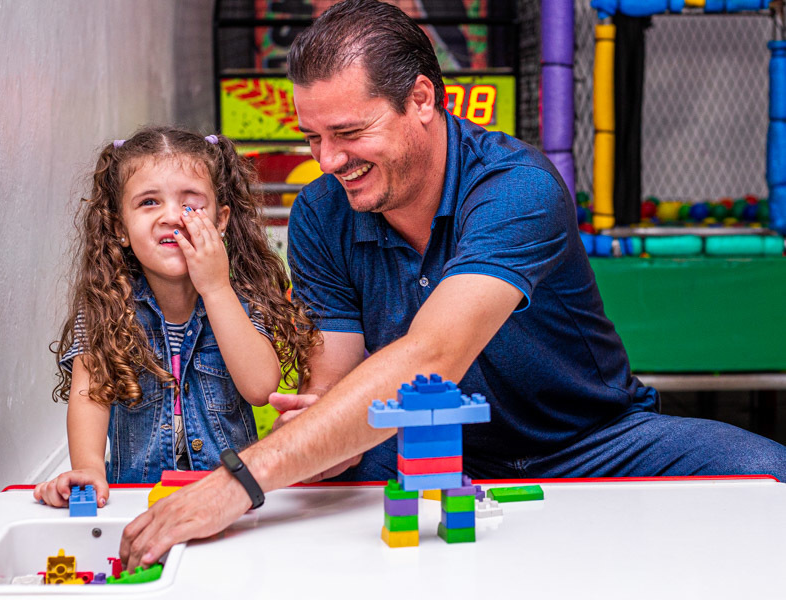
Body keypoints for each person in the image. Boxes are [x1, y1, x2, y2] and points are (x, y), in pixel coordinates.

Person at [118, 0, 786, 569]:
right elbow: (335, 377)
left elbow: (433, 354)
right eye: (312, 137)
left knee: (766, 472)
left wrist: (241, 477)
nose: (328, 160)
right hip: (413, 452)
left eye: (348, 133)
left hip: (587, 442)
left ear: (421, 100)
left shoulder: (517, 187)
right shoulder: (322, 212)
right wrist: (318, 427)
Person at [34, 127, 318, 509]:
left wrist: (215, 288)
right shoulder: (106, 306)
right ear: (120, 227)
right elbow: (91, 397)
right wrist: (88, 469)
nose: (171, 216)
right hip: (136, 503)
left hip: (230, 501)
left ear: (220, 220)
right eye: (149, 202)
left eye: (191, 204)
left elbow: (260, 388)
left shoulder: (240, 298)